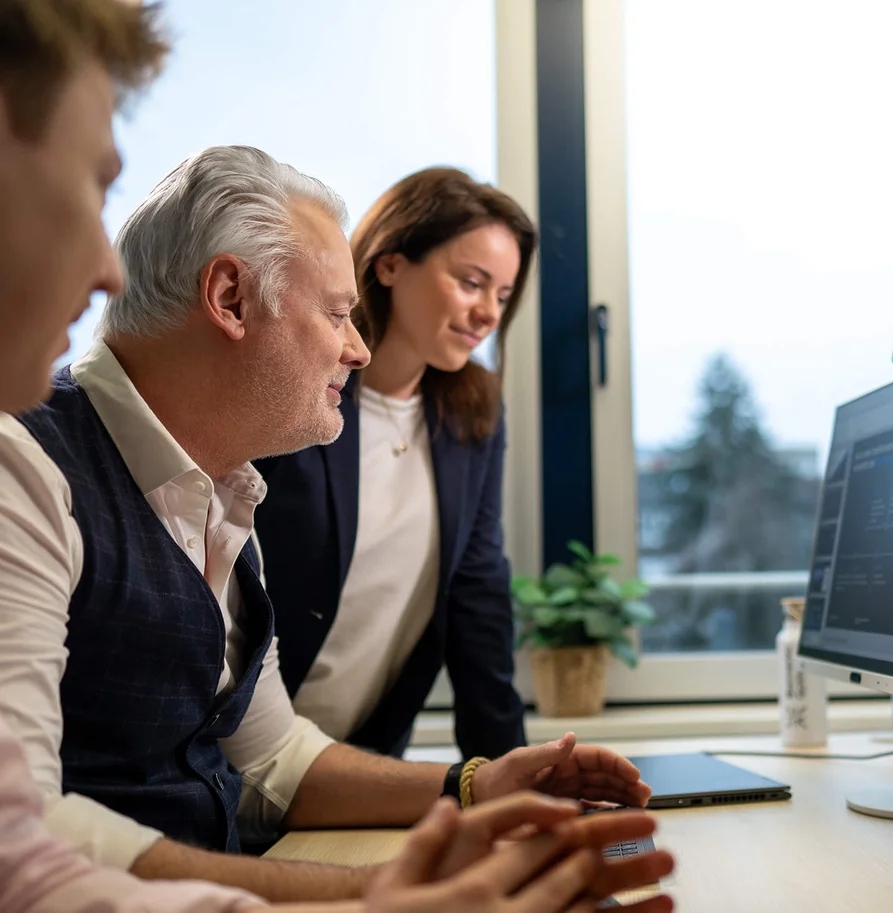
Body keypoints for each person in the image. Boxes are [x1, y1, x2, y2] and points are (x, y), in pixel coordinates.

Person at [0, 2, 672, 912]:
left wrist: (479, 782)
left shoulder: (227, 495)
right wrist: (366, 894)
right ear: (231, 298)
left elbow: (273, 752)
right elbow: (29, 842)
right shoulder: (25, 465)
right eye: (334, 314)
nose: (355, 351)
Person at [254, 168, 533, 761]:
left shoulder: (473, 414)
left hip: (369, 757)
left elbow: (477, 592)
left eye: (503, 296)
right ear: (389, 264)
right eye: (471, 282)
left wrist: (511, 779)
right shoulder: (299, 393)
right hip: (246, 759)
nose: (488, 313)